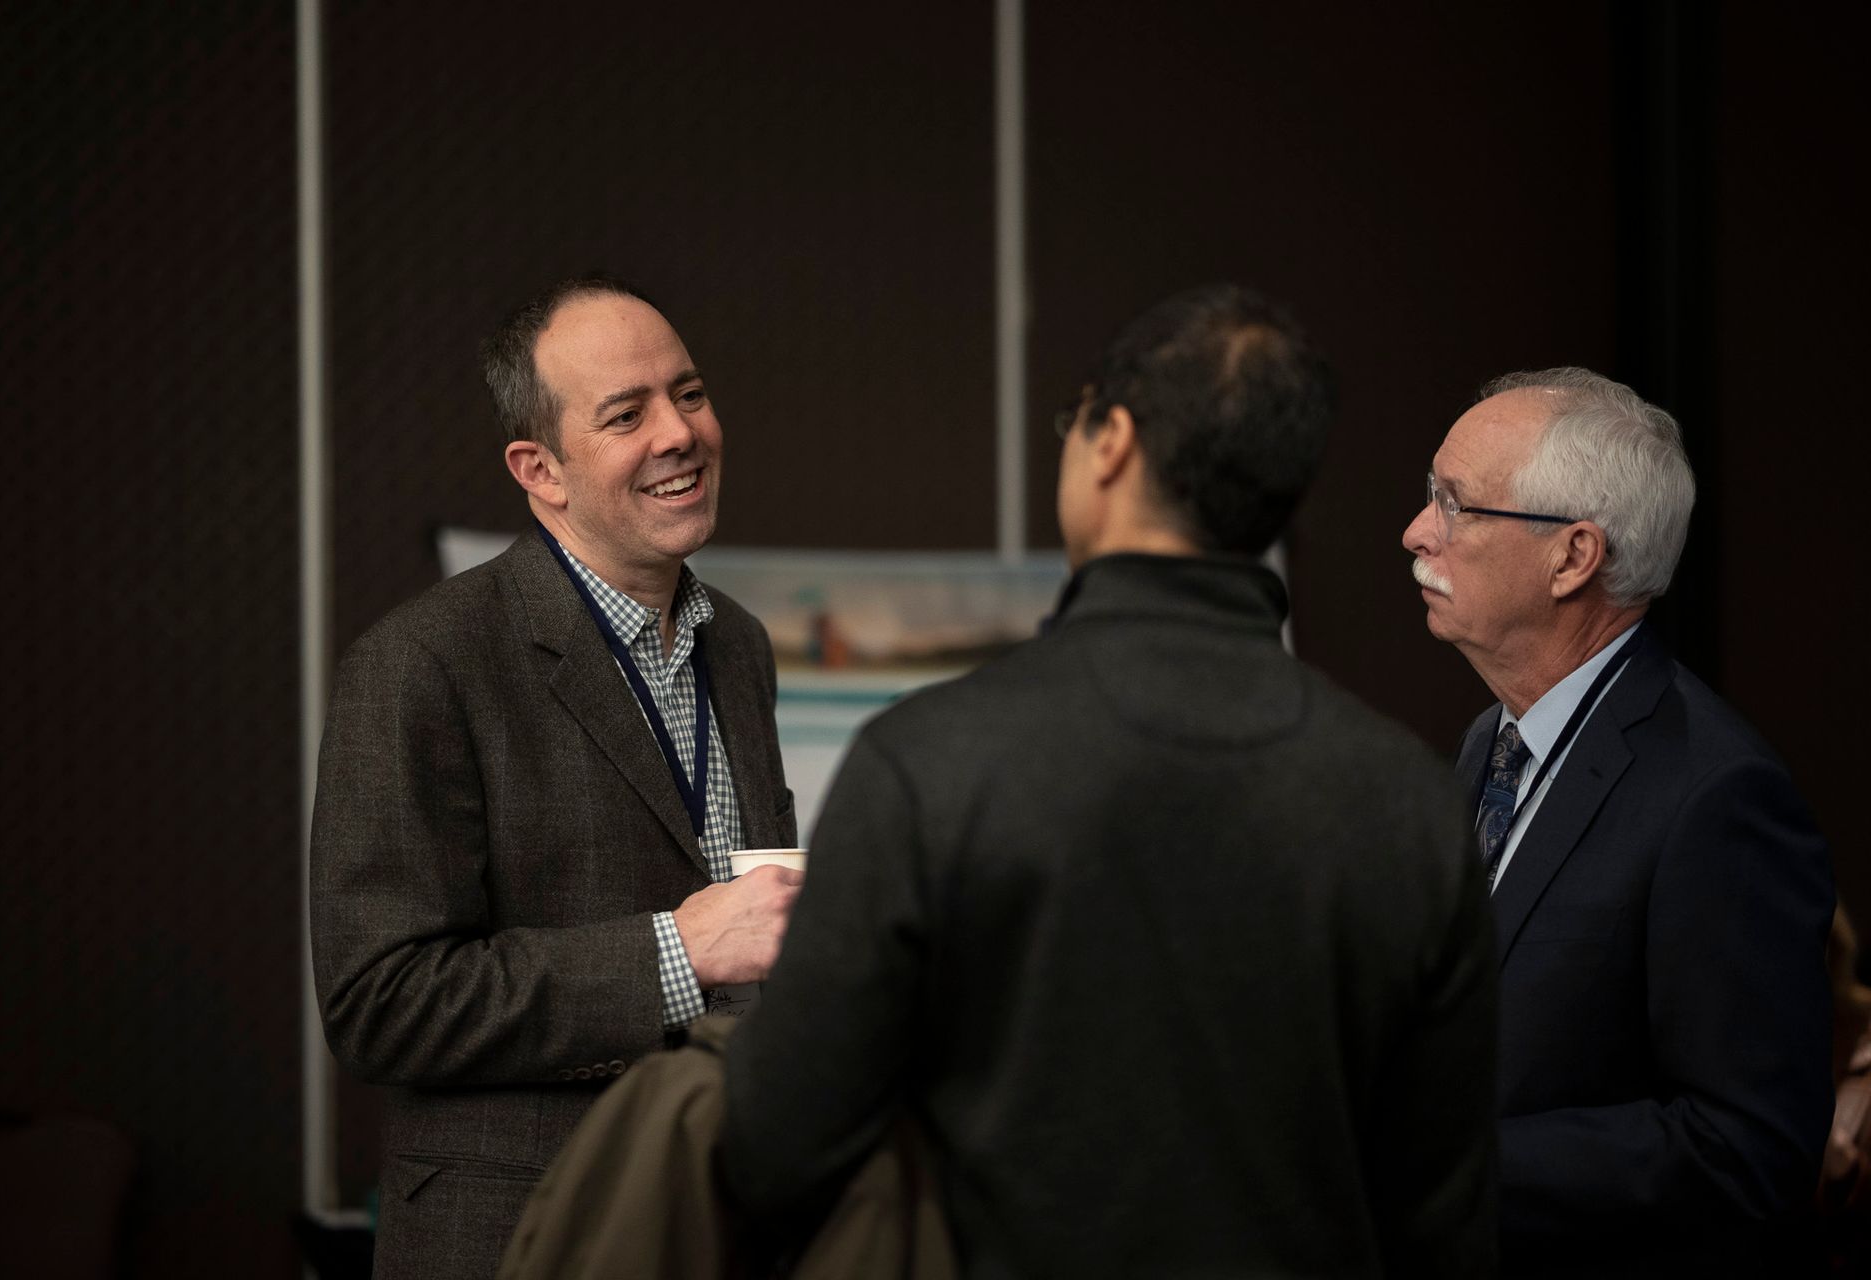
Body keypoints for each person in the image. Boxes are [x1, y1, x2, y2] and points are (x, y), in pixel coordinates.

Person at [723, 284, 1500, 1277]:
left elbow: (773, 1149)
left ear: (1112, 443)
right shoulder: (1412, 801)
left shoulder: (928, 761)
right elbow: (1444, 1215)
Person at [309, 274, 800, 1280]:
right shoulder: (423, 661)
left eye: (691, 392)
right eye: (627, 413)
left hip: (722, 1213)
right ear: (540, 468)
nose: (680, 433)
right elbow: (380, 1001)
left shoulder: (738, 647)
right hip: (519, 1236)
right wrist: (680, 948)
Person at [1400, 368, 1834, 1276]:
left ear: (1573, 557)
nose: (1416, 532)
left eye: (1457, 504)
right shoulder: (1492, 738)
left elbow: (1745, 1148)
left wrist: (1449, 1167)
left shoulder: (1717, 793)